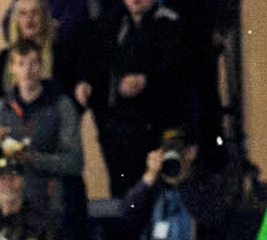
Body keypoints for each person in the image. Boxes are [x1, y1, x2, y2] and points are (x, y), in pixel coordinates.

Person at [79, 0, 187, 198]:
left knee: (155, 193)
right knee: (123, 198)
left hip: (153, 128)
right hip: (115, 129)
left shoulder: (168, 22)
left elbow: (177, 70)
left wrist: (146, 80)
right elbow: (95, 61)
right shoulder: (111, 21)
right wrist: (85, 82)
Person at [0, 42, 84, 231]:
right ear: (12, 68)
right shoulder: (3, 106)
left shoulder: (61, 104)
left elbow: (74, 162)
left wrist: (33, 158)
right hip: (16, 205)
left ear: (42, 66)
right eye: (21, 64)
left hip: (54, 204)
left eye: (33, 63)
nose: (27, 70)